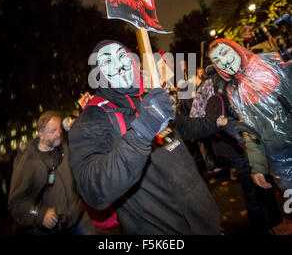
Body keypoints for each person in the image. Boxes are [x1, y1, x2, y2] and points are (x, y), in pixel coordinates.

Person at [68, 39, 259, 235]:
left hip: (203, 218)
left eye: (122, 56)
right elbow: (93, 188)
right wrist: (142, 131)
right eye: (107, 62)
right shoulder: (92, 119)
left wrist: (221, 123)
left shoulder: (147, 98)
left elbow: (182, 126)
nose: (119, 65)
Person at [190, 69, 286, 234]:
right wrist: (222, 122)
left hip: (250, 139)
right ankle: (263, 228)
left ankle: (276, 223)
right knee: (253, 188)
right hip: (233, 143)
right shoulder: (211, 83)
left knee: (263, 181)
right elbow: (195, 117)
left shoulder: (241, 76)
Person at [208, 38, 292, 192]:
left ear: (237, 49)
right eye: (216, 60)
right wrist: (258, 167)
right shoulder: (234, 91)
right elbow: (250, 131)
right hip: (279, 156)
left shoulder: (272, 63)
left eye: (225, 52)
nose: (223, 61)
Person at [8, 110, 96, 235]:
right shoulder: (27, 163)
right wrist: (40, 214)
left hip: (79, 219)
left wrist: (76, 123)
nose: (58, 133)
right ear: (40, 134)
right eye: (52, 131)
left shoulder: (64, 147)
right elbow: (17, 205)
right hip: (52, 231)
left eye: (59, 129)